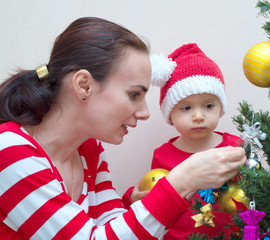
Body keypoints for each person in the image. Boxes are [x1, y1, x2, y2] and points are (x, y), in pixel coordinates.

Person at [0, 17, 246, 239]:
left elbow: (111, 223)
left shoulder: (89, 148)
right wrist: (182, 181)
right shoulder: (9, 150)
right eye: (134, 94)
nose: (145, 112)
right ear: (84, 85)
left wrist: (141, 204)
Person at [122, 43, 244, 239]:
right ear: (170, 114)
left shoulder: (235, 147)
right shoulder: (163, 155)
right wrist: (132, 197)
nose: (198, 116)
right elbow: (153, 198)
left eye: (209, 105)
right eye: (186, 108)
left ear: (221, 108)